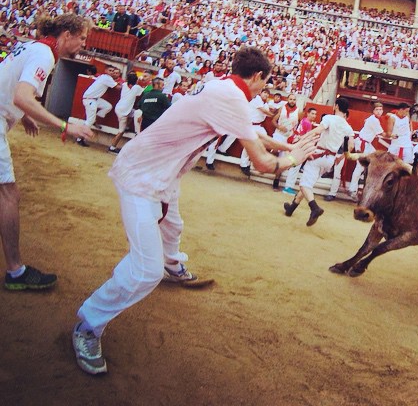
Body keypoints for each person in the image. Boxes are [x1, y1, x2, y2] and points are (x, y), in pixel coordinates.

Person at [72, 46, 316, 375]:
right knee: (145, 271)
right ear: (257, 76)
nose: (265, 89)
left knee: (172, 227)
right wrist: (293, 158)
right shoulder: (232, 97)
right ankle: (89, 324)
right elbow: (262, 162)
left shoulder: (221, 87)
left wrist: (286, 145)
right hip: (142, 177)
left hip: (160, 172)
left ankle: (174, 267)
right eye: (265, 83)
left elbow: (251, 132)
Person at [1, 14, 93, 291]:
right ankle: (16, 272)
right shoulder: (44, 54)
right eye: (82, 38)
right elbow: (22, 96)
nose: (83, 44)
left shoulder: (32, 46)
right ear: (67, 34)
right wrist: (65, 126)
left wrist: (25, 116)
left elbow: (11, 88)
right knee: (8, 195)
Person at [284, 97, 353, 226]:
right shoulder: (347, 127)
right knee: (308, 184)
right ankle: (291, 208)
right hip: (330, 160)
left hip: (318, 156)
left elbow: (318, 130)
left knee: (304, 185)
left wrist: (302, 138)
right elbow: (350, 146)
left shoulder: (329, 118)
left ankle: (314, 208)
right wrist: (342, 156)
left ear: (336, 106)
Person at [346, 101, 385, 199]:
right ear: (373, 111)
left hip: (366, 144)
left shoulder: (372, 119)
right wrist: (394, 135)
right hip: (362, 144)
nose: (379, 112)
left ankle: (361, 183)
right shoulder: (374, 120)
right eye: (377, 110)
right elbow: (384, 134)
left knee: (376, 159)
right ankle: (352, 189)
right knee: (359, 166)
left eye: (381, 110)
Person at [77, 64, 121, 146]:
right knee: (89, 120)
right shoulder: (106, 78)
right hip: (90, 100)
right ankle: (80, 138)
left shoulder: (103, 77)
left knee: (108, 106)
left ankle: (95, 119)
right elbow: (118, 88)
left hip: (94, 99)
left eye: (113, 71)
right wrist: (123, 85)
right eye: (110, 71)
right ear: (106, 71)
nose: (111, 72)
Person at [282, 107, 318, 195]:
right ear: (308, 113)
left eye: (315, 114)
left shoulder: (304, 120)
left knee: (294, 165)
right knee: (295, 166)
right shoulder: (308, 123)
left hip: (296, 141)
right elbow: (307, 137)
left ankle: (288, 186)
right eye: (312, 113)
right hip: (299, 144)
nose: (314, 116)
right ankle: (288, 187)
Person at [108, 71, 147, 154]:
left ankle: (127, 127)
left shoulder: (125, 85)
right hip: (124, 112)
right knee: (121, 131)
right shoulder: (137, 88)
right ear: (136, 81)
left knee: (135, 113)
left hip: (120, 108)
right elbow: (143, 92)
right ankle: (112, 147)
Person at [271, 93, 301, 190]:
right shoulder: (282, 108)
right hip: (279, 134)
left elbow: (300, 125)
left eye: (294, 99)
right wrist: (279, 126)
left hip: (288, 138)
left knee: (282, 161)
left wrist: (295, 135)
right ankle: (270, 164)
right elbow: (273, 121)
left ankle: (276, 181)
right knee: (274, 151)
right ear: (288, 99)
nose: (292, 101)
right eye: (291, 99)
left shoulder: (298, 111)